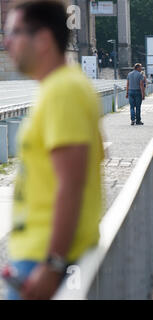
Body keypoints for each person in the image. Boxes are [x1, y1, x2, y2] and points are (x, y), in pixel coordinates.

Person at [3, 0, 104, 300]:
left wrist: (53, 264)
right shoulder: (62, 87)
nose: (6, 42)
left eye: (14, 32)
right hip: (37, 253)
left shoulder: (63, 92)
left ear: (44, 39)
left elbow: (70, 184)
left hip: (44, 258)